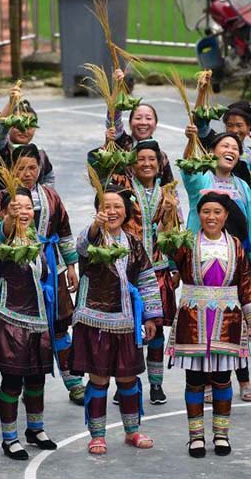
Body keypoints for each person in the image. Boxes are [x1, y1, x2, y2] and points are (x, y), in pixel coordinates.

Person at [164, 190, 251, 458]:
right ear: (199, 215)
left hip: (228, 320)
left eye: (217, 212)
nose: (211, 217)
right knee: (195, 380)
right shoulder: (187, 242)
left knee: (223, 380)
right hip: (193, 319)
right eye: (206, 212)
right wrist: (168, 213)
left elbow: (247, 284)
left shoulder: (235, 245)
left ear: (226, 216)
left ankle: (221, 435)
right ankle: (195, 437)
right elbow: (166, 247)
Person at [0, 144, 83, 404]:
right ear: (11, 169)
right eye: (21, 168)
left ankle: (74, 382)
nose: (28, 173)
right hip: (18, 273)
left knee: (60, 325)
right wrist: (5, 216)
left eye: (32, 168)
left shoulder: (51, 195)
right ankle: (25, 379)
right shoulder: (4, 196)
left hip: (51, 265)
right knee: (25, 330)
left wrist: (71, 266)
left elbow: (64, 229)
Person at [71, 186, 163, 455]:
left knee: (128, 379)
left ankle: (132, 430)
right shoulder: (92, 238)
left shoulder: (134, 243)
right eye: (106, 207)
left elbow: (147, 280)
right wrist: (94, 226)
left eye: (117, 207)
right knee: (98, 380)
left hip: (127, 322)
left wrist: (150, 317)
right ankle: (97, 435)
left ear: (126, 212)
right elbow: (82, 248)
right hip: (95, 321)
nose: (111, 212)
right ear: (98, 210)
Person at [180, 129, 251, 400]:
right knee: (204, 319)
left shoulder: (241, 185)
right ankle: (204, 380)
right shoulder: (203, 177)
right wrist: (191, 141)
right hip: (205, 259)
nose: (231, 150)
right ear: (212, 151)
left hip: (237, 260)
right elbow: (188, 171)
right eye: (225, 145)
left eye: (236, 147)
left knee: (236, 320)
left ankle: (244, 379)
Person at [0, 187, 58, 460]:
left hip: (37, 319)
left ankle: (35, 429)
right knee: (13, 380)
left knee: (37, 378)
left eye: (28, 207)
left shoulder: (36, 240)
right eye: (16, 207)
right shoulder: (0, 239)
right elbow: (0, 234)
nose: (24, 212)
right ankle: (9, 438)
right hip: (10, 318)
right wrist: (9, 220)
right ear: (5, 212)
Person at [110, 139, 180, 405]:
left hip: (159, 270)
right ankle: (125, 382)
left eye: (152, 159)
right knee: (127, 330)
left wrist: (174, 266)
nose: (147, 164)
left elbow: (174, 234)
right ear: (132, 163)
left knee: (156, 330)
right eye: (141, 159)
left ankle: (157, 384)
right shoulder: (123, 192)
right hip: (127, 269)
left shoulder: (168, 194)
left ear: (160, 163)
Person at [196, 99, 251, 223]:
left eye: (239, 125)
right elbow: (200, 122)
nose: (234, 130)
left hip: (247, 216)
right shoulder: (215, 145)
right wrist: (202, 92)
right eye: (230, 125)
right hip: (216, 214)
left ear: (249, 127)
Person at [95, 69, 174, 185]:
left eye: (148, 118)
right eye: (138, 118)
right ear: (130, 123)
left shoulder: (160, 156)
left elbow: (169, 187)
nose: (143, 122)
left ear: (156, 124)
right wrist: (118, 89)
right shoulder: (121, 144)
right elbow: (114, 120)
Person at [0, 84, 54, 191]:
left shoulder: (40, 154)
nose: (24, 130)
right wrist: (11, 102)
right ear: (9, 124)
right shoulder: (0, 151)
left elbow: (48, 178)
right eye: (18, 125)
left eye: (29, 126)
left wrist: (41, 198)